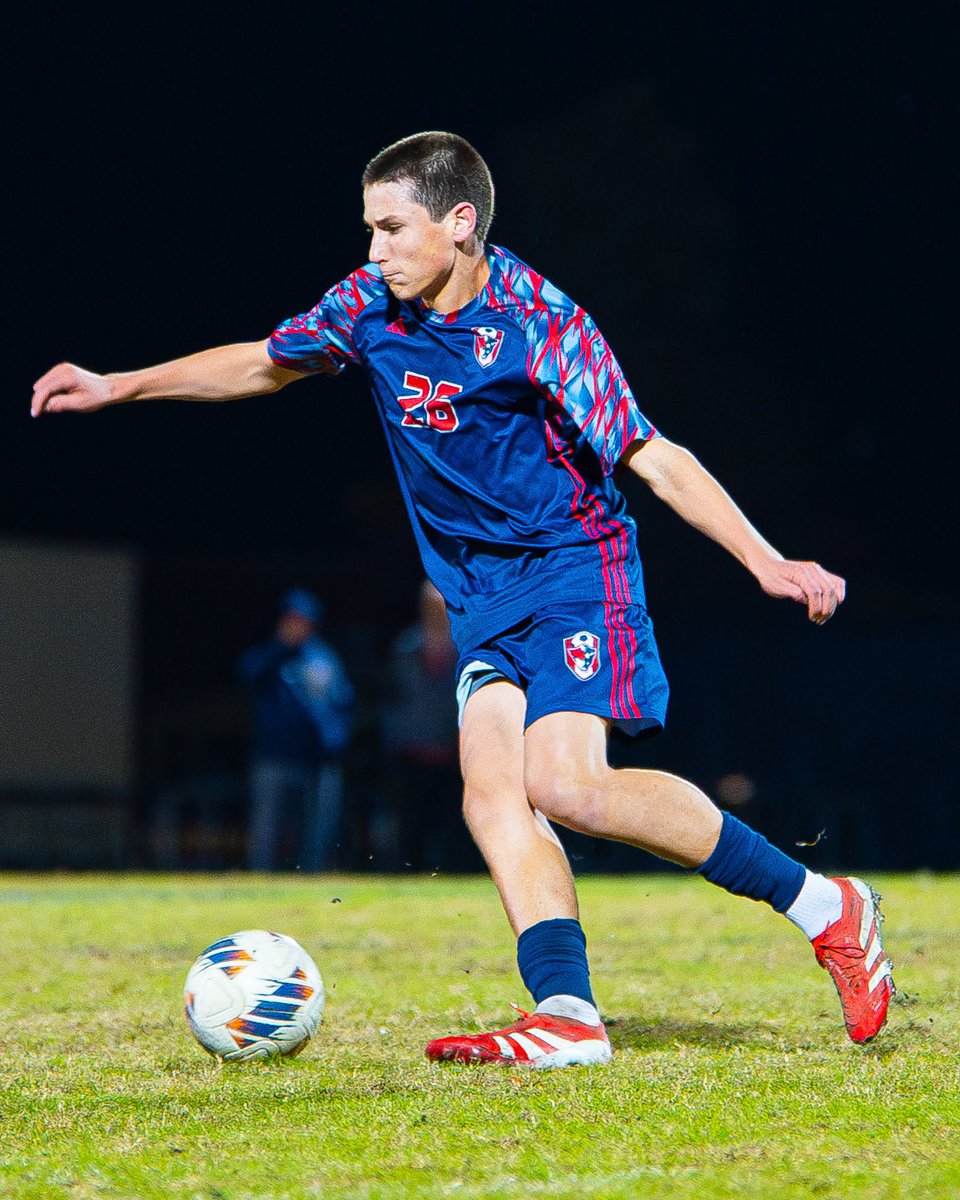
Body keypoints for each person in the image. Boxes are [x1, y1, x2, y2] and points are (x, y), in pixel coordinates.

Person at [32, 131, 894, 1066]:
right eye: (369, 229)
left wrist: (765, 561)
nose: (374, 251)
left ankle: (825, 905)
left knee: (568, 788)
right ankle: (567, 1014)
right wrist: (121, 385)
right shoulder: (368, 308)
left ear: (460, 223)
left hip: (574, 570)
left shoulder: (542, 321)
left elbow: (651, 454)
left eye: (392, 228)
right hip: (480, 596)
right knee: (492, 796)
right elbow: (261, 363)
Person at [237, 587, 354, 871]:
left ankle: (310, 879)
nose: (296, 626)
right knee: (266, 830)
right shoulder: (270, 655)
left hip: (313, 759)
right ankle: (260, 879)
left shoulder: (322, 659)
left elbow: (342, 703)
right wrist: (279, 647)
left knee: (314, 832)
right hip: (273, 757)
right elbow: (246, 675)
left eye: (302, 620)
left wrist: (334, 744)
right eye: (291, 619)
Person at [379, 579, 479, 871]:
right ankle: (407, 871)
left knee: (454, 823)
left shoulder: (467, 648)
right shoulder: (405, 648)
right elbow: (391, 701)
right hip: (411, 755)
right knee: (411, 824)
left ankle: (454, 872)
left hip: (453, 754)